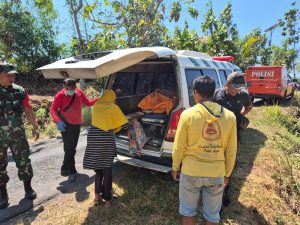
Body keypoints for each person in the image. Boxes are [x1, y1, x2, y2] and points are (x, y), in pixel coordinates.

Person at [172, 76, 237, 225]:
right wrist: (227, 174)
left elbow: (178, 146)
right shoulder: (230, 117)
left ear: (196, 93)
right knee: (212, 215)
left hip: (190, 171)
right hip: (217, 172)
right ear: (213, 93)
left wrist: (175, 167)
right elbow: (231, 150)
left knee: (188, 211)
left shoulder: (187, 115)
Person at [0, 63, 39, 209]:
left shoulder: (20, 90)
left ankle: (28, 188)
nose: (12, 77)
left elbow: (28, 109)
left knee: (24, 160)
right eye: (8, 75)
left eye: (13, 75)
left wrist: (35, 127)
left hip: (17, 134)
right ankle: (3, 195)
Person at [213, 72, 253, 206]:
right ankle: (211, 189)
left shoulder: (243, 95)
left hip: (234, 134)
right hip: (217, 135)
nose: (237, 91)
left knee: (229, 164)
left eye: (239, 88)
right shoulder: (217, 95)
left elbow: (249, 107)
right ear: (227, 84)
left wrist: (241, 116)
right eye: (234, 87)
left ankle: (225, 193)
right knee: (216, 161)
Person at [83, 89, 128, 208]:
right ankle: (108, 200)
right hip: (105, 137)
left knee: (98, 168)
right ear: (112, 97)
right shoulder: (113, 107)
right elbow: (123, 123)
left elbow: (101, 120)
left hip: (93, 135)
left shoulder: (97, 105)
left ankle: (97, 197)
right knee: (107, 169)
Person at [50, 78, 98, 182]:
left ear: (75, 87)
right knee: (69, 148)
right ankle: (72, 171)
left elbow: (88, 103)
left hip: (77, 124)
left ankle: (64, 168)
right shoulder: (60, 95)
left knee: (72, 148)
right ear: (64, 87)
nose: (70, 90)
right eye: (68, 88)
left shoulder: (79, 93)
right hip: (65, 124)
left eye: (72, 88)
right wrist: (58, 121)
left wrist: (100, 99)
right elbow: (53, 109)